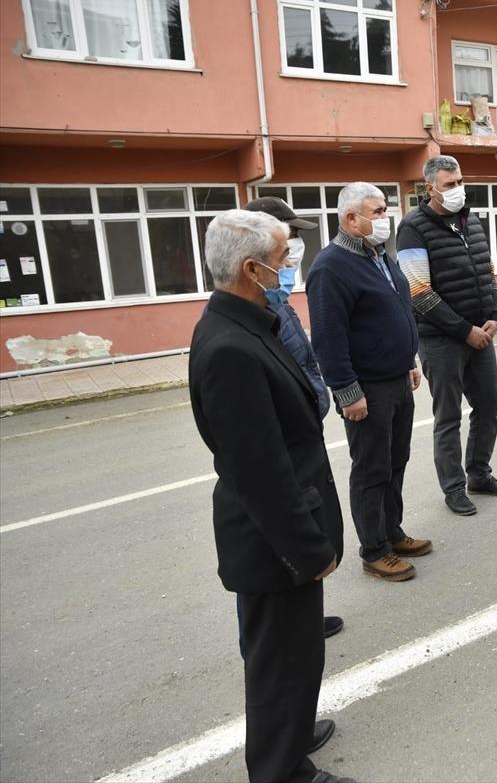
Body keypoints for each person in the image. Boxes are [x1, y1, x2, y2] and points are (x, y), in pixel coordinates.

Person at [188, 209, 354, 783]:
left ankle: (295, 731)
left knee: (299, 649)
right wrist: (308, 550)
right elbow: (259, 473)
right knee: (277, 662)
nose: (290, 268)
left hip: (286, 527)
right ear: (252, 269)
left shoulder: (253, 321)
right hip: (272, 540)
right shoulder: (231, 346)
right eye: (284, 259)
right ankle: (282, 771)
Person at [306, 182, 431, 581]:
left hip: (396, 378)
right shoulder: (330, 267)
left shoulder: (380, 255)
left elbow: (399, 309)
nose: (384, 219)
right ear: (350, 219)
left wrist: (409, 359)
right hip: (366, 388)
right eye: (376, 213)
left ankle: (391, 531)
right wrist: (347, 392)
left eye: (384, 211)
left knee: (397, 460)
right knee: (371, 468)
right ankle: (374, 549)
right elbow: (328, 336)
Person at [243, 197, 344, 637]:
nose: (297, 247)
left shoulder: (277, 298)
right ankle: (293, 621)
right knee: (288, 529)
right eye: (290, 239)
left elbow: (304, 362)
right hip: (288, 444)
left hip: (305, 432)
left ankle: (304, 614)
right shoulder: (251, 314)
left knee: (305, 527)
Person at [396, 156, 497, 516]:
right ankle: (453, 488)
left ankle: (479, 472)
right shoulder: (412, 228)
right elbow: (418, 291)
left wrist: (495, 315)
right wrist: (465, 331)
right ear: (429, 188)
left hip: (481, 333)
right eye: (449, 185)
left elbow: (486, 273)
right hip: (442, 339)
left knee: (489, 406)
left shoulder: (470, 220)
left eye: (459, 181)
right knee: (448, 416)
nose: (457, 190)